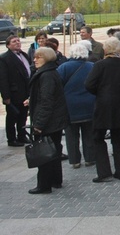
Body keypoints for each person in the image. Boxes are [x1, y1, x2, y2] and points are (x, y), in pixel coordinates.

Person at [85, 37, 120, 183]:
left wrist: (99, 92)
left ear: (105, 49)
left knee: (98, 137)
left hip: (103, 104)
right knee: (119, 138)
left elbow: (89, 84)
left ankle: (104, 172)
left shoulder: (100, 65)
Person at [25, 47, 69, 194]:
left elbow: (47, 101)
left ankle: (44, 185)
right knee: (54, 150)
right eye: (35, 57)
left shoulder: (46, 75)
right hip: (54, 119)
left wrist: (39, 124)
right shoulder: (50, 72)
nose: (35, 60)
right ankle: (56, 180)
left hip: (49, 121)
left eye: (39, 57)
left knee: (44, 153)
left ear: (47, 58)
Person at [57, 43, 96, 169]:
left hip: (69, 107)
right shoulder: (91, 66)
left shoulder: (63, 67)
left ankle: (74, 160)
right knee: (89, 133)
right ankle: (90, 158)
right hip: (89, 105)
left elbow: (58, 86)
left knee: (71, 135)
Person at [0, 35, 31, 147]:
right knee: (12, 117)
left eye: (18, 41)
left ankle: (21, 136)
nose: (17, 43)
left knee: (23, 116)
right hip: (13, 93)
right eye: (14, 42)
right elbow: (3, 79)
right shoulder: (4, 58)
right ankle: (11, 139)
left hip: (25, 92)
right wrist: (6, 96)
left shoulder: (24, 55)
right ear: (8, 45)